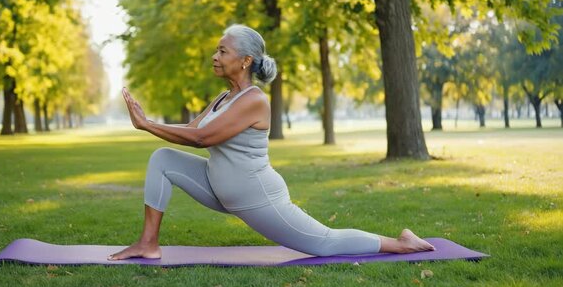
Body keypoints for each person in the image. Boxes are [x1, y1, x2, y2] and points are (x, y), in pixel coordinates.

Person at [108, 24, 435, 260]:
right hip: (219, 186)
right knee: (163, 159)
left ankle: (400, 242)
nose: (215, 56)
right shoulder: (224, 98)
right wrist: (150, 123)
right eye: (217, 50)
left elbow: (201, 138)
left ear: (245, 60)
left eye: (223, 51)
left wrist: (146, 124)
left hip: (257, 195)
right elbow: (193, 128)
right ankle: (148, 243)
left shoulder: (254, 101)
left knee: (323, 242)